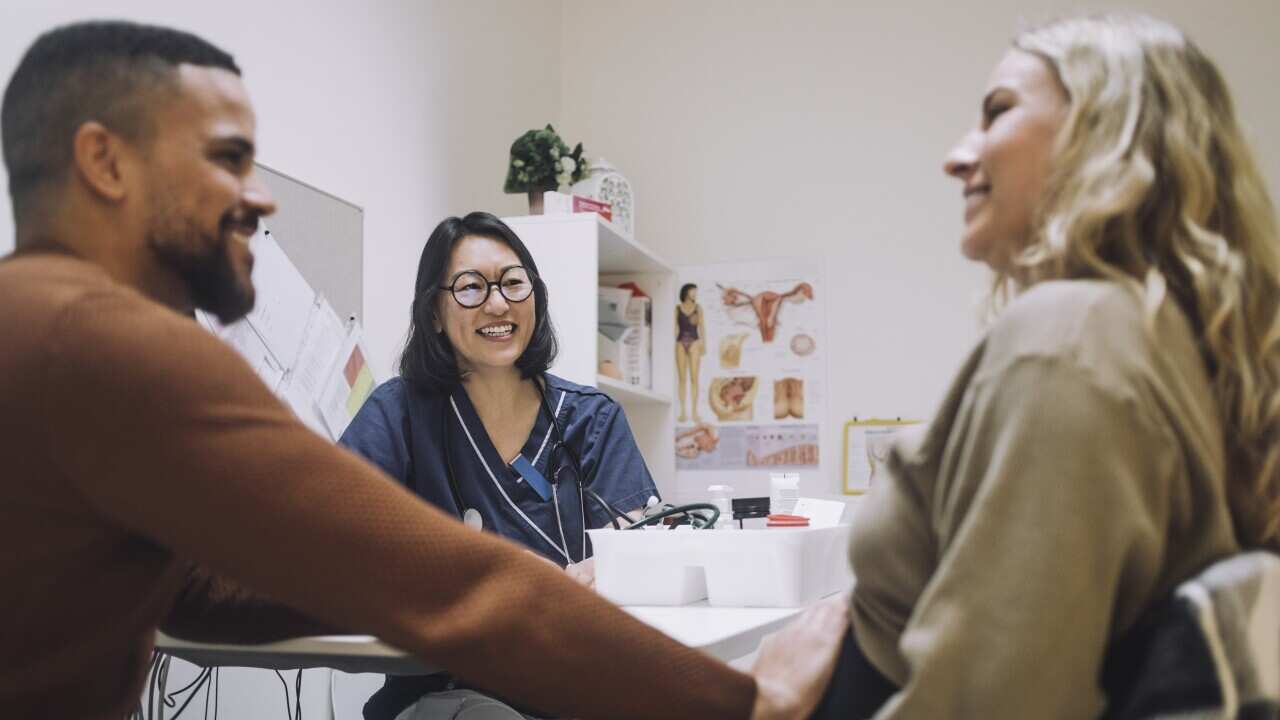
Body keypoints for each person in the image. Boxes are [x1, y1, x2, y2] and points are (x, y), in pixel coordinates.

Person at [0, 20, 848, 720]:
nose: (260, 199)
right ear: (104, 162)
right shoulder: (113, 347)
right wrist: (752, 704)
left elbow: (204, 587)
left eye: (514, 283)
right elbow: (433, 579)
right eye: (226, 160)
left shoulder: (43, 332)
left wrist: (396, 579)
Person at [813, 13, 1280, 719]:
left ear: (1108, 131)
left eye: (997, 112)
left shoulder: (1068, 337)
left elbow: (992, 700)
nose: (957, 156)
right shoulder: (1163, 342)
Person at [339, 211, 660, 718]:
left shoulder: (589, 419)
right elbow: (333, 535)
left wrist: (617, 568)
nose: (497, 303)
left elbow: (647, 545)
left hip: (578, 683)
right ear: (434, 313)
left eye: (514, 283)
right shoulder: (398, 414)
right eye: (470, 288)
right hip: (445, 691)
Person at [675, 282, 705, 422]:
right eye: (693, 291)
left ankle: (694, 412)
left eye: (695, 291)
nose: (694, 294)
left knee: (694, 378)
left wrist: (703, 344)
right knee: (682, 379)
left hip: (694, 342)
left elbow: (702, 327)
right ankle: (682, 412)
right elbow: (674, 327)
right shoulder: (677, 308)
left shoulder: (698, 308)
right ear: (686, 292)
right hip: (680, 342)